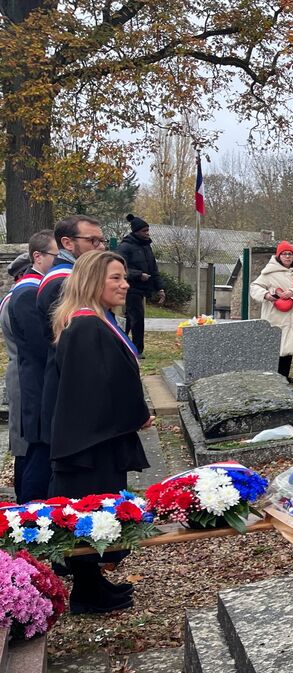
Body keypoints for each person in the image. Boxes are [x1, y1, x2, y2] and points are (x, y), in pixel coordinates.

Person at [50, 250, 152, 613]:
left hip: (96, 438)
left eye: (124, 277)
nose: (125, 284)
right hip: (90, 442)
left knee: (98, 513)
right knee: (89, 514)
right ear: (94, 281)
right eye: (116, 278)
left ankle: (93, 585)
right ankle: (87, 592)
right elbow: (99, 388)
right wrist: (137, 414)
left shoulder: (94, 322)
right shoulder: (86, 326)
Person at [17, 215, 107, 501]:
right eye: (92, 241)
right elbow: (49, 345)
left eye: (102, 240)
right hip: (55, 387)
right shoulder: (62, 282)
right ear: (67, 243)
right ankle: (30, 522)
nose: (100, 246)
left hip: (61, 386)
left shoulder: (72, 277)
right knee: (44, 460)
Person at [1, 230, 57, 501]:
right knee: (28, 448)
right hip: (28, 380)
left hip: (27, 375)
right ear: (38, 258)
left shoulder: (29, 290)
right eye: (57, 256)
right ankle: (25, 511)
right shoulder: (26, 294)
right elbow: (39, 347)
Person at [250, 242, 293, 380]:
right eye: (284, 254)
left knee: (288, 346)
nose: (287, 257)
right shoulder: (269, 273)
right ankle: (273, 377)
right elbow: (254, 287)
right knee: (276, 345)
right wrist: (266, 295)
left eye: (290, 254)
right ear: (279, 256)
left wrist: (292, 292)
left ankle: (284, 376)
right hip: (275, 315)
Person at [115, 213, 165, 355]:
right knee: (137, 318)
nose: (147, 233)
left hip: (143, 288)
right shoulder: (125, 247)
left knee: (130, 319)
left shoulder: (147, 247)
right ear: (136, 232)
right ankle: (137, 349)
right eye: (144, 231)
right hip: (130, 288)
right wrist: (138, 275)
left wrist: (160, 288)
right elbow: (119, 268)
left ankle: (119, 341)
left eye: (148, 230)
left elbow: (154, 269)